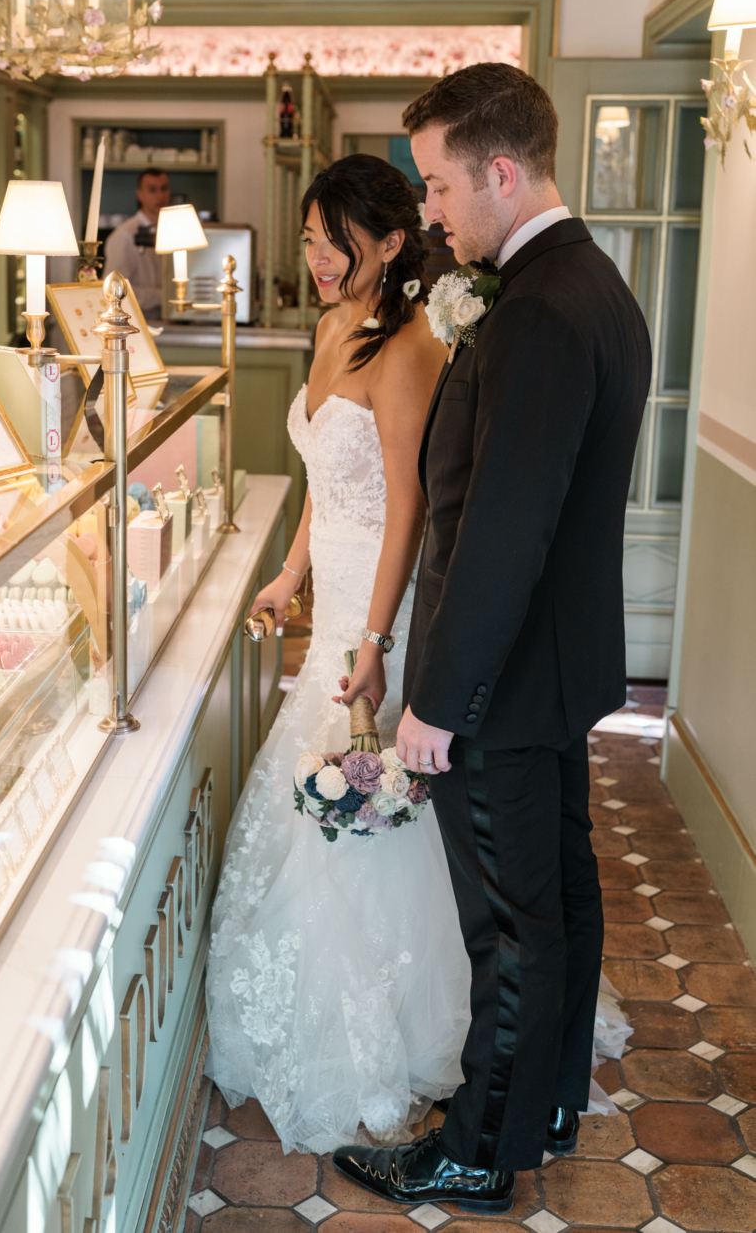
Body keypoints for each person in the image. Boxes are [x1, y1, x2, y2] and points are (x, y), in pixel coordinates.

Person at [333, 64, 650, 1215]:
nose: (431, 212)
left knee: (508, 932)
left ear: (502, 173)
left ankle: (475, 1151)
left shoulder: (542, 312)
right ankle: (546, 1106)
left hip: (503, 690)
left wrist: (438, 703)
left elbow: (506, 528)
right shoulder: (586, 285)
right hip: (552, 676)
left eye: (439, 185)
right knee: (560, 898)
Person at [205, 154, 473, 1155]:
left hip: (383, 620)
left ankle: (379, 1034)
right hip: (337, 610)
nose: (318, 257)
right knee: (312, 802)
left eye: (337, 240)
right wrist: (289, 574)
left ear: (394, 241)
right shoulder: (330, 330)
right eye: (311, 237)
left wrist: (373, 637)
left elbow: (411, 504)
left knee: (367, 811)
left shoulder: (409, 348)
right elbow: (327, 474)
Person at [103, 169, 171, 318]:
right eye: (152, 190)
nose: (160, 195)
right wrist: (164, 295)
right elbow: (113, 290)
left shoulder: (173, 231)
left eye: (164, 188)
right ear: (140, 194)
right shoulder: (124, 236)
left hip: (169, 320)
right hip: (136, 322)